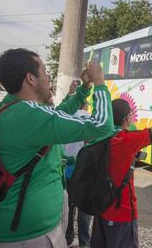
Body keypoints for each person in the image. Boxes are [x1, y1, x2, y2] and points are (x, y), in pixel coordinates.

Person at [0, 48, 114, 247]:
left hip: (14, 231)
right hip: (28, 238)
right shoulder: (29, 114)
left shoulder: (11, 108)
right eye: (45, 71)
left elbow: (59, 115)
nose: (49, 78)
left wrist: (83, 89)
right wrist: (99, 83)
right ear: (31, 78)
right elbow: (102, 124)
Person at [90, 89, 152, 248]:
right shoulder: (127, 141)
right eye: (131, 115)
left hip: (100, 211)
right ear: (127, 119)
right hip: (122, 215)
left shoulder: (98, 136)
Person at [64, 101, 92, 247]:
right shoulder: (89, 119)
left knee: (69, 207)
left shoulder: (64, 117)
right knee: (84, 209)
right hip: (83, 172)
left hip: (66, 171)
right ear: (85, 105)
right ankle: (84, 242)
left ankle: (67, 239)